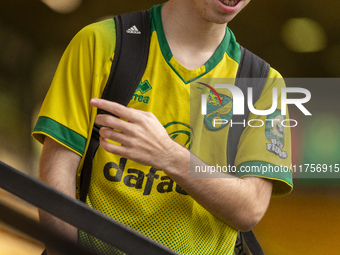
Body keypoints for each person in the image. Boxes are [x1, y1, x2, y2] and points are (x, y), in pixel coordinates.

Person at [33, 0, 293, 254]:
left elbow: (250, 209)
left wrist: (170, 156)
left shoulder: (263, 84)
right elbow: (58, 171)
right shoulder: (101, 43)